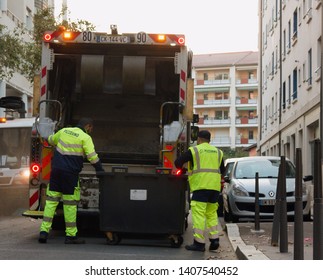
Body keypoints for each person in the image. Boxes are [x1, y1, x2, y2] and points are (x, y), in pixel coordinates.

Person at [38, 118, 104, 244]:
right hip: (70, 175)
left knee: (51, 202)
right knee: (69, 205)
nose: (91, 131)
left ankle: (43, 232)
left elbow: (51, 140)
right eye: (91, 128)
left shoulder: (64, 131)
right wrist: (100, 170)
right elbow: (92, 156)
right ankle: (70, 236)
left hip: (56, 172)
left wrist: (47, 135)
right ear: (88, 126)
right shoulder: (85, 137)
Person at [174, 130, 225, 252]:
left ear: (199, 139)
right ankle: (214, 240)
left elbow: (178, 162)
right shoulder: (218, 152)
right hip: (214, 188)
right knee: (212, 214)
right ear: (209, 140)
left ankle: (199, 243)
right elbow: (222, 170)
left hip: (201, 187)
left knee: (199, 215)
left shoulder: (195, 150)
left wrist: (184, 169)